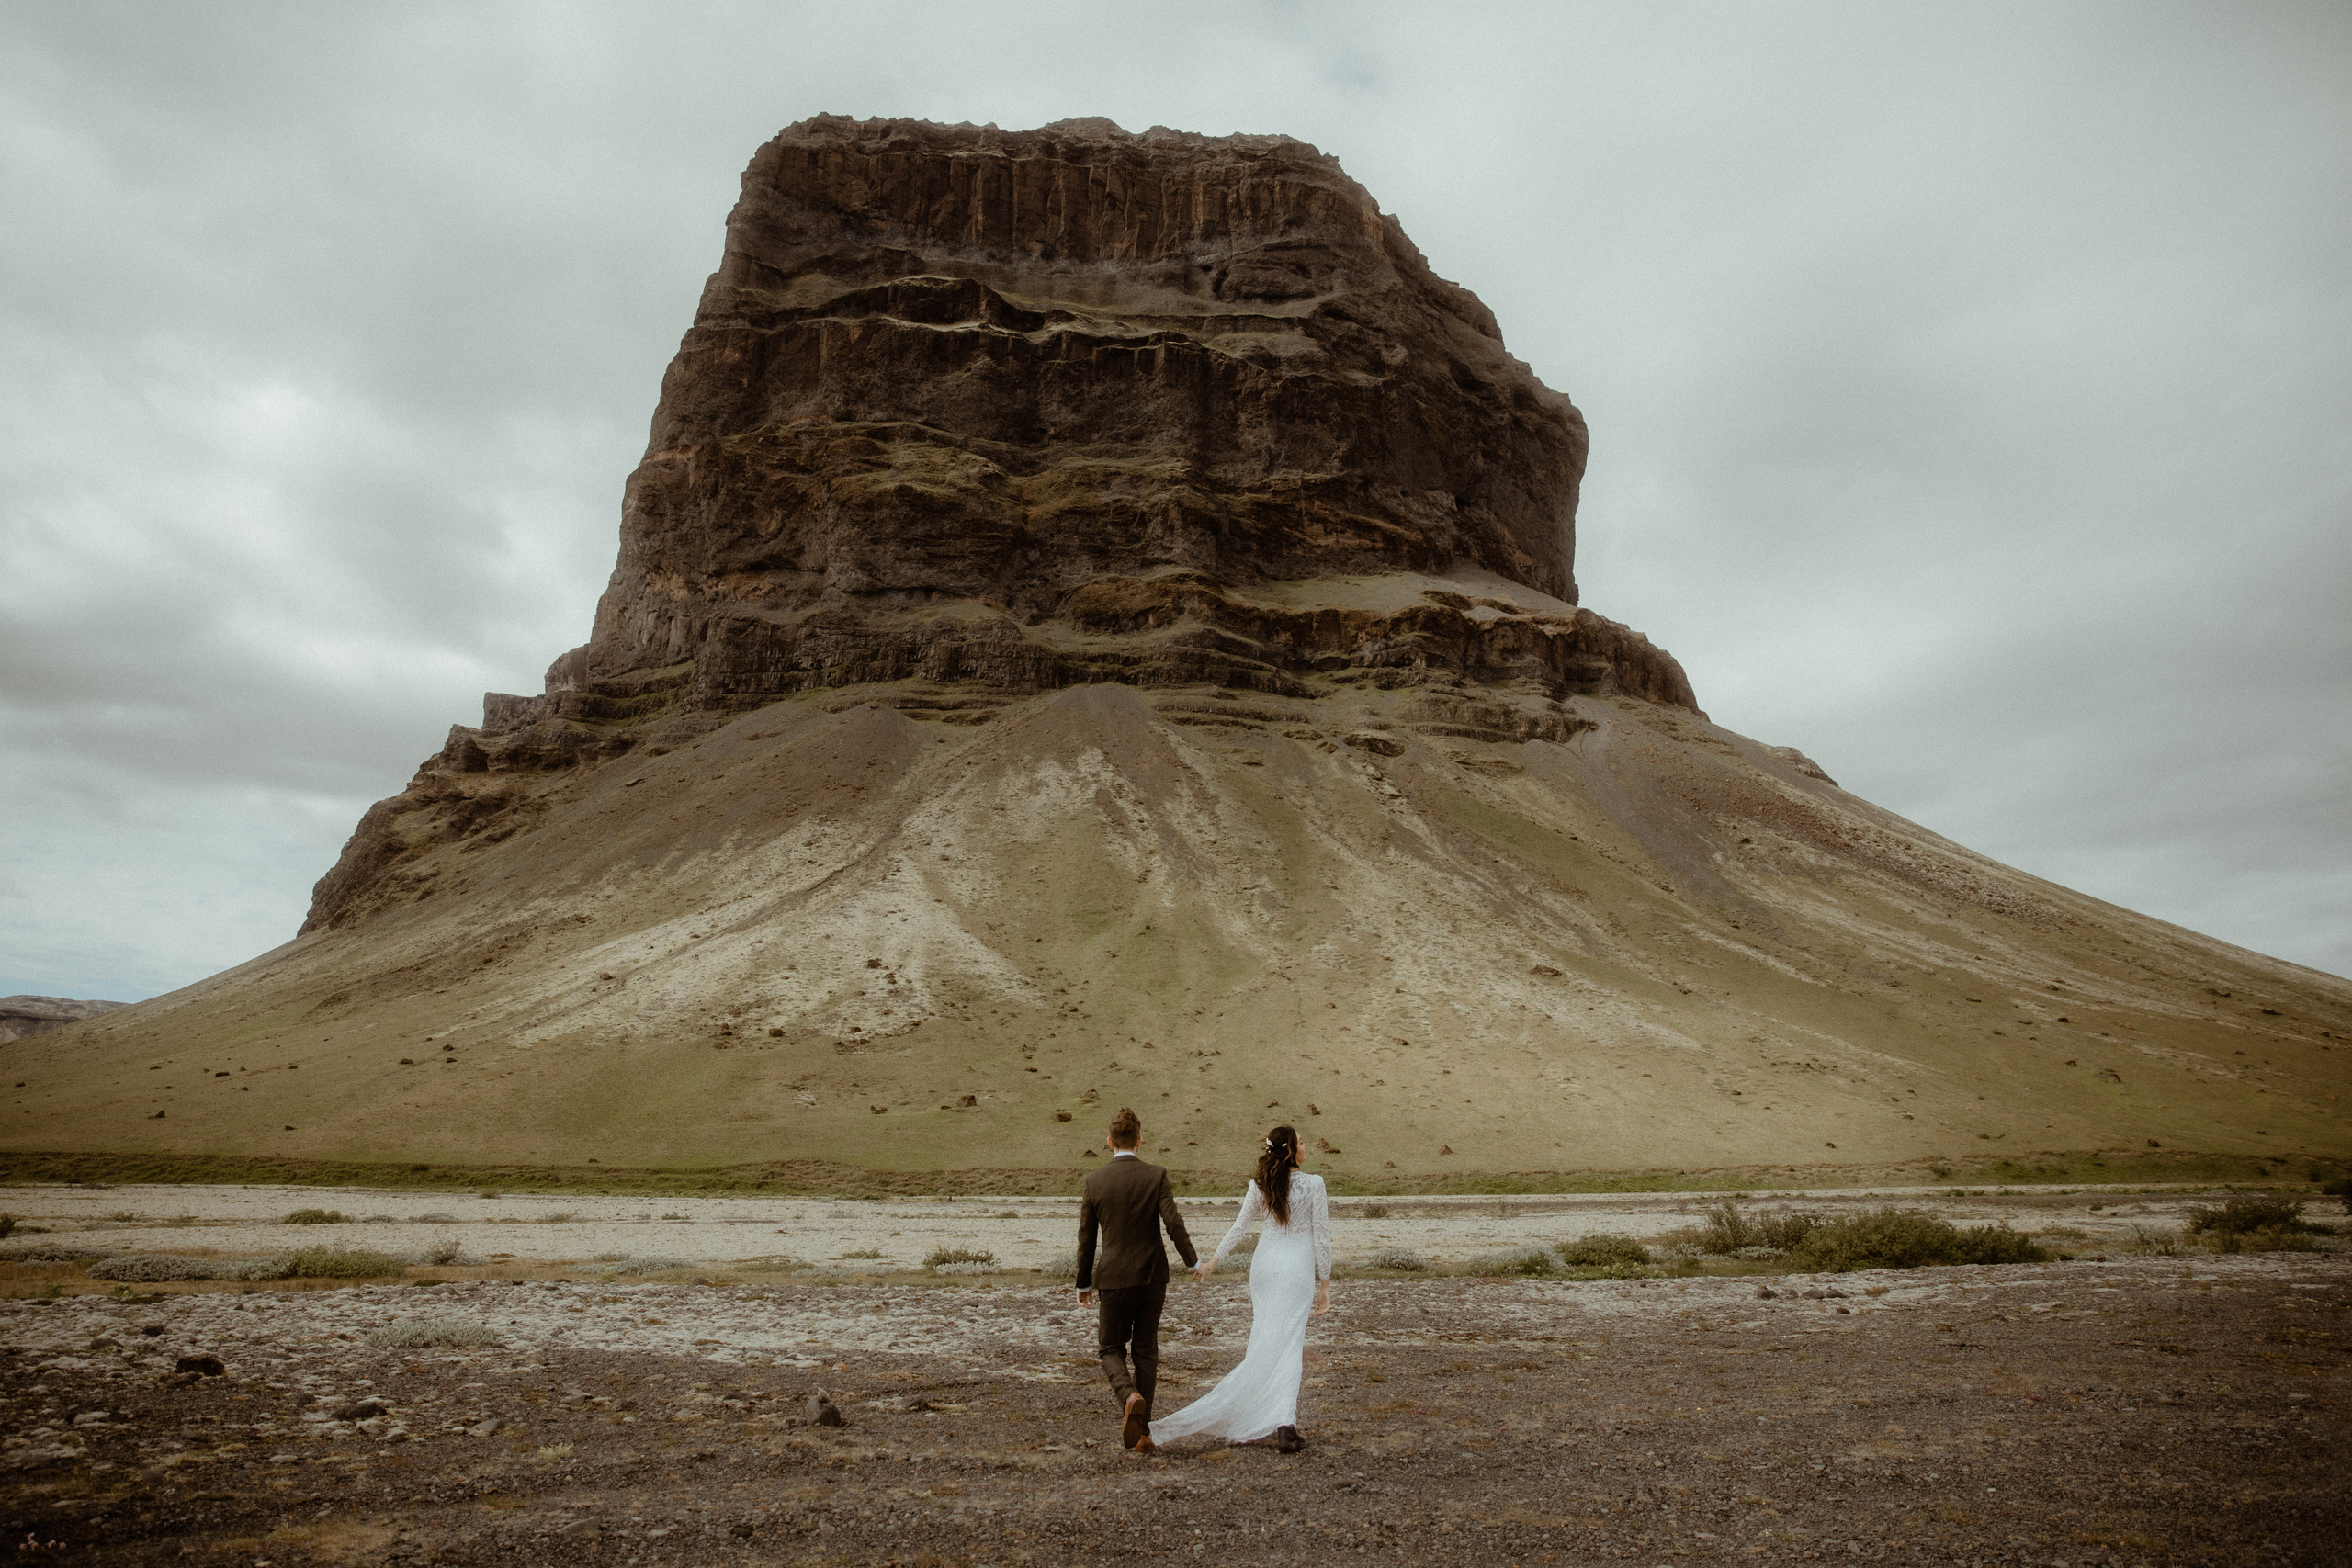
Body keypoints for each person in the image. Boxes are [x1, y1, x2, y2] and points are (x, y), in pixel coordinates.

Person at [1148, 1124, 1330, 1454]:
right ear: (1290, 1150)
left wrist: (1212, 1263)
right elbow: (1322, 1238)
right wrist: (1326, 1285)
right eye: (1301, 1142)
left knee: (1264, 1337)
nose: (1306, 1146)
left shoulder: (1260, 1185)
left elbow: (1239, 1226)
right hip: (1296, 1271)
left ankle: (1271, 1414)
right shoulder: (1314, 1185)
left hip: (1263, 1268)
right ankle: (1284, 1423)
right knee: (1290, 1344)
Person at [1074, 1107, 1198, 1452]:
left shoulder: (1094, 1181)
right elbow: (1173, 1223)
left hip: (1113, 1277)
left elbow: (1087, 1240)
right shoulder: (1156, 1175)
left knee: (1110, 1346)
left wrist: (1083, 1283)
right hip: (1152, 1277)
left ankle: (1129, 1397)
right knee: (1146, 1351)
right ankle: (1142, 1433)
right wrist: (1193, 1263)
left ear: (1109, 1142)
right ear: (1140, 1141)